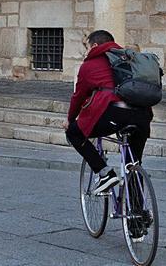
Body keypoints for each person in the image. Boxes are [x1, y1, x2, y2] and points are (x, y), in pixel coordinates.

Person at [65, 30, 153, 194]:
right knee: (132, 164)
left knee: (73, 133)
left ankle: (105, 174)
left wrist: (70, 119)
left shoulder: (89, 65)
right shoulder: (130, 59)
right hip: (143, 115)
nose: (86, 51)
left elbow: (78, 96)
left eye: (87, 46)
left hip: (114, 113)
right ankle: (138, 217)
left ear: (95, 46)